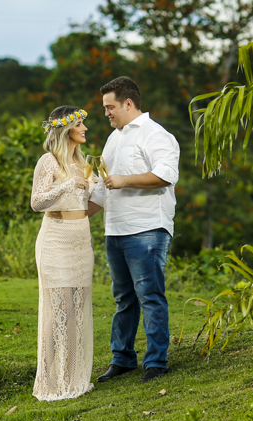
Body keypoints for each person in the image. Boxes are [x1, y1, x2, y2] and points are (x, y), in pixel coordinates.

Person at [88, 76, 180, 383]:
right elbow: (103, 189)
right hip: (114, 230)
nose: (106, 113)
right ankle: (123, 359)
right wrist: (72, 217)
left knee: (150, 296)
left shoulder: (156, 134)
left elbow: (166, 175)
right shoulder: (114, 138)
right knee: (123, 298)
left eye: (110, 107)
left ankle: (156, 362)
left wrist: (125, 180)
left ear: (128, 103)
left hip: (146, 229)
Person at [30, 106, 97, 402]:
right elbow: (36, 202)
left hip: (81, 241)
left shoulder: (83, 163)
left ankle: (72, 380)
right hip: (55, 240)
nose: (85, 128)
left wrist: (102, 187)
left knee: (77, 312)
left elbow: (87, 202)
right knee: (59, 311)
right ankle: (48, 381)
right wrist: (68, 184)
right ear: (65, 129)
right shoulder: (49, 161)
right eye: (80, 124)